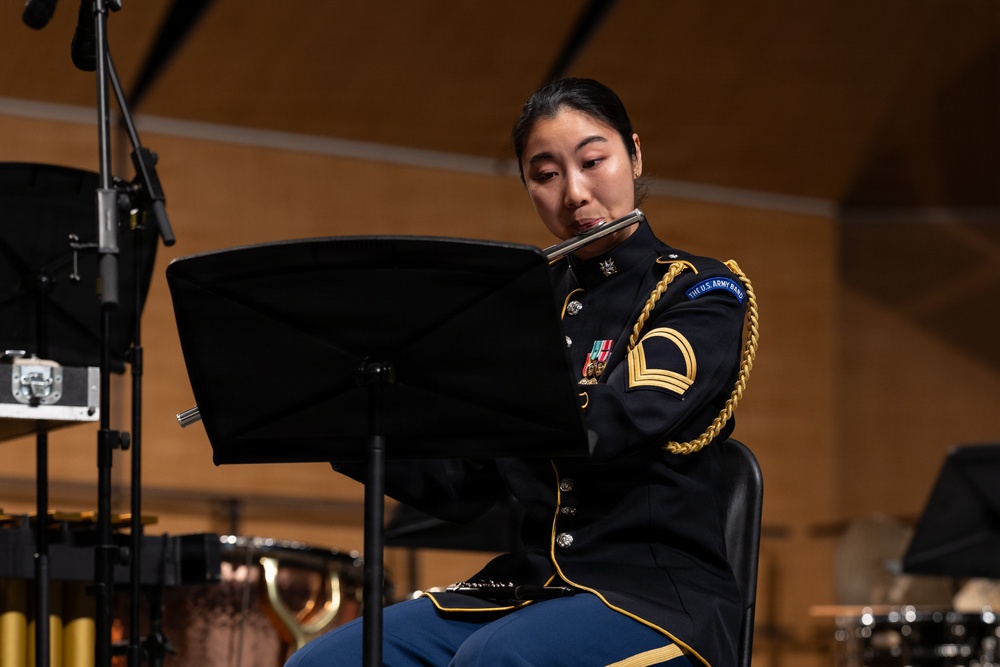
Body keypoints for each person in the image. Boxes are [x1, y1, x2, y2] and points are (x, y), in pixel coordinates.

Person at [285, 77, 754, 667]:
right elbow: (462, 485)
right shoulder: (523, 306)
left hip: (653, 596)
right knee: (323, 663)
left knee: (494, 659)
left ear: (634, 155)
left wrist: (482, 391)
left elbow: (618, 421)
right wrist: (345, 416)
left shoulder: (700, 291)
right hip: (529, 587)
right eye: (546, 174)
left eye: (593, 161)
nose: (576, 194)